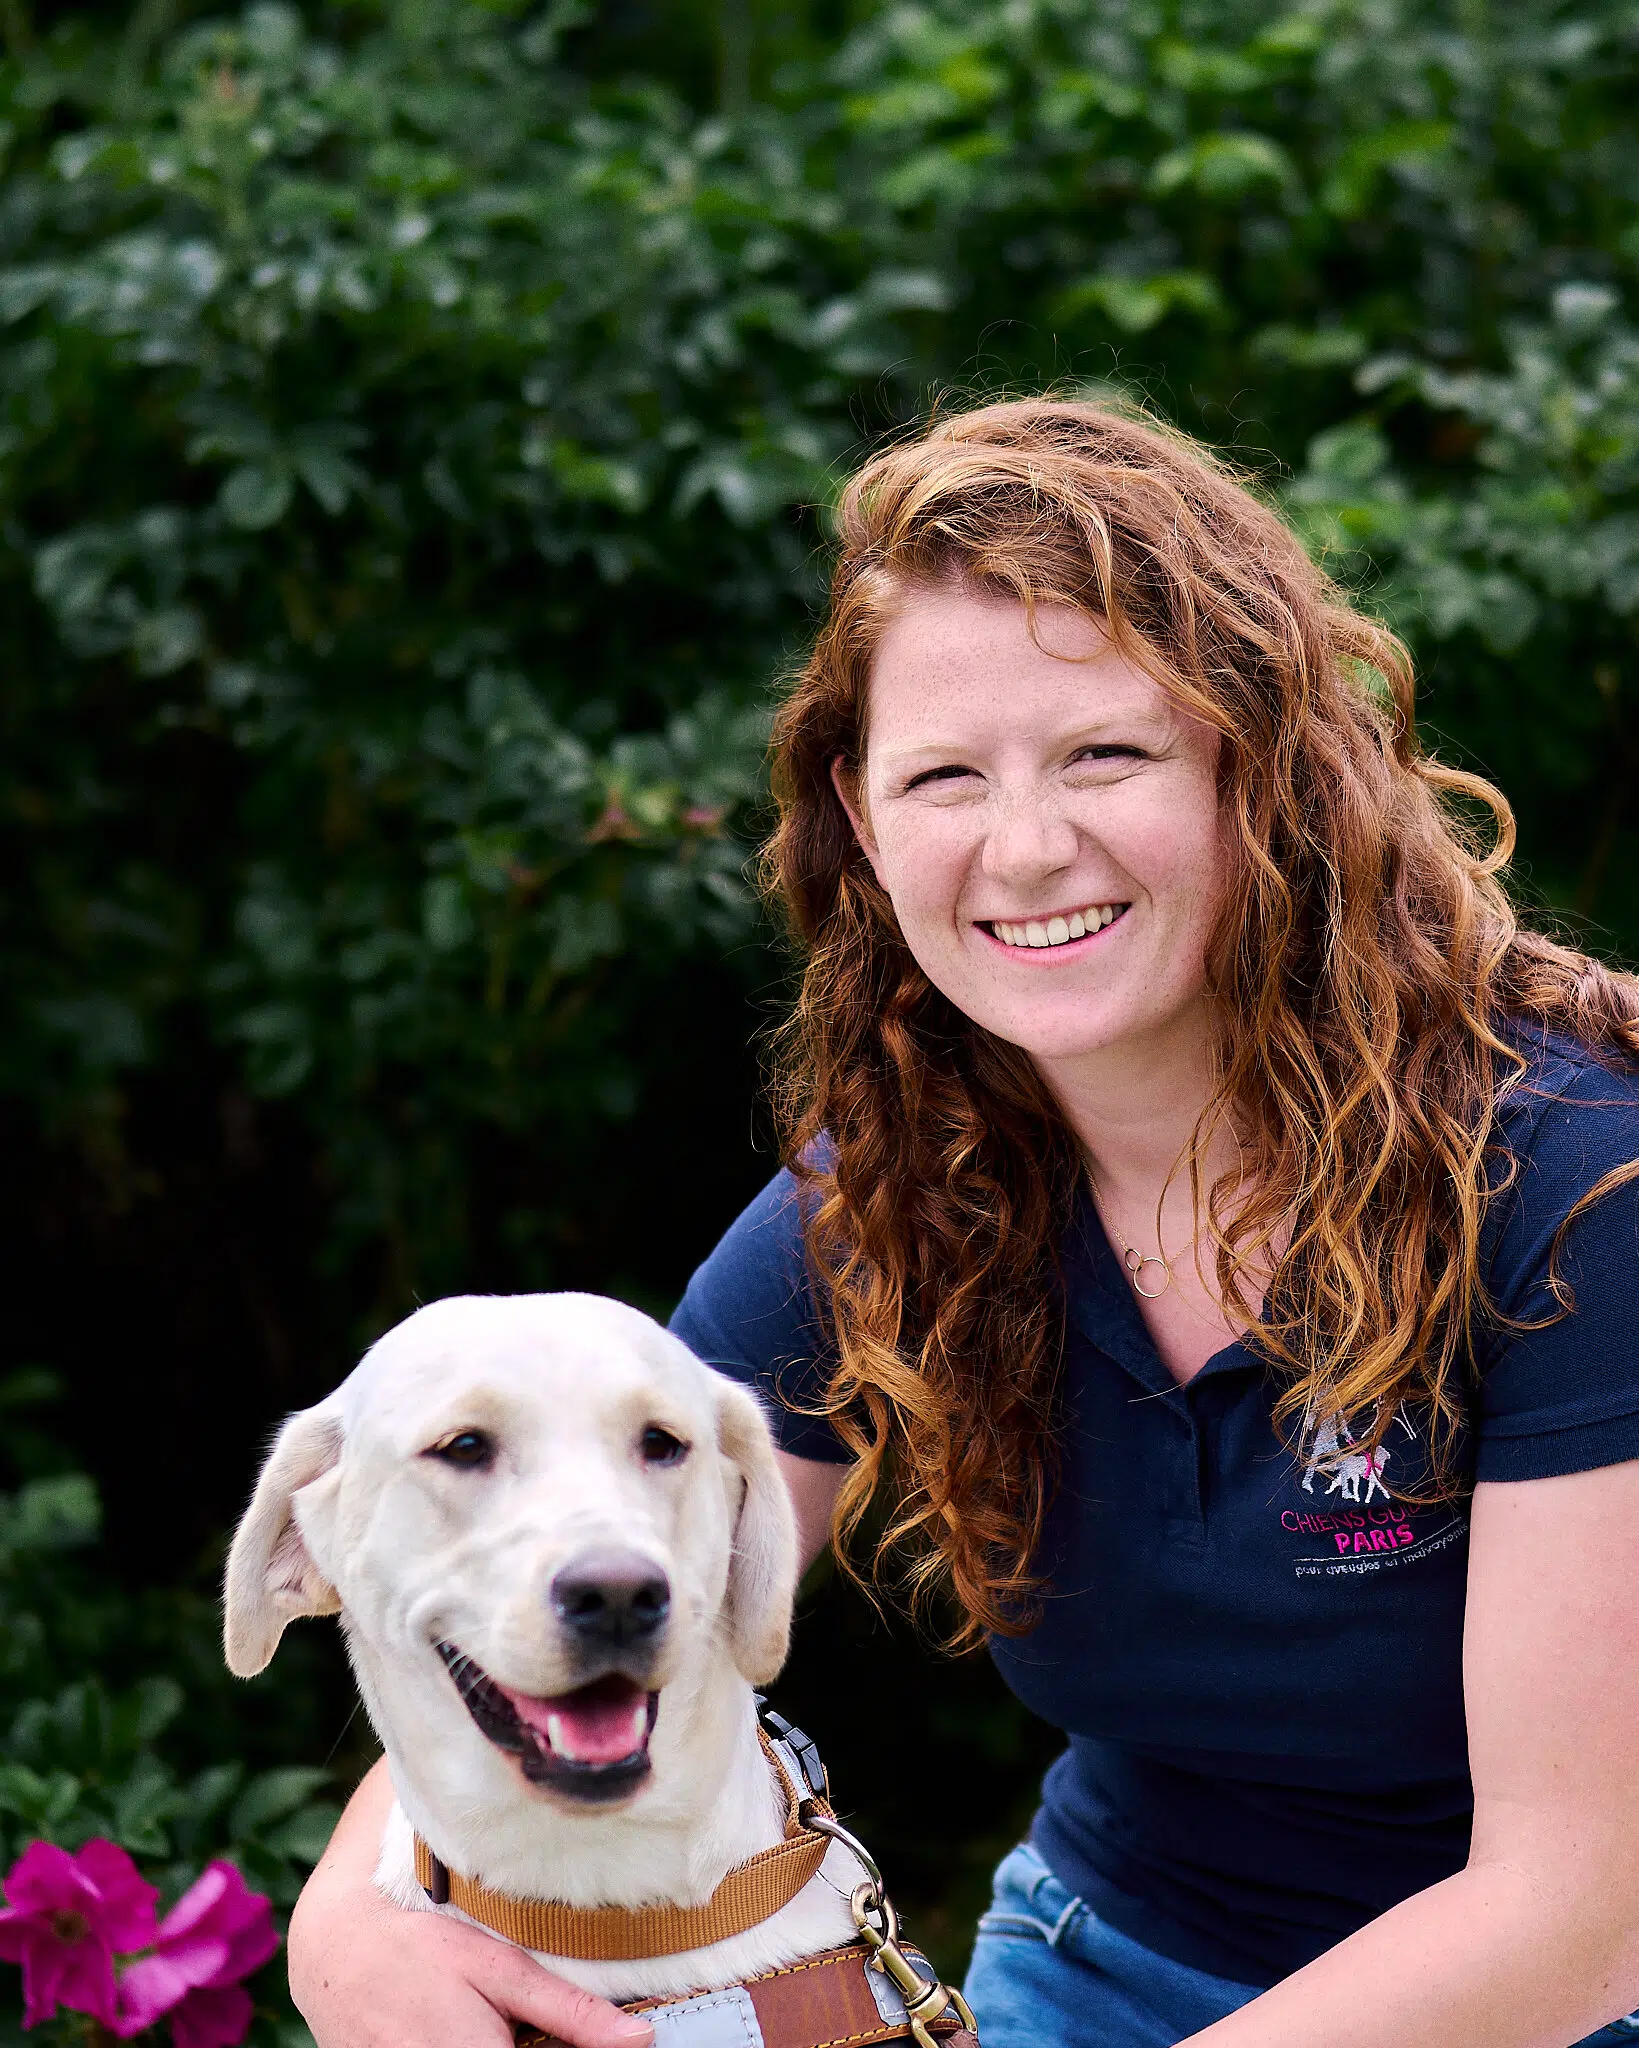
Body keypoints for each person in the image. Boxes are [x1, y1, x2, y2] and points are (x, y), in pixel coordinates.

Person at [286, 399, 1639, 2048]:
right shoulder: (902, 1193)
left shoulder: (1572, 1181)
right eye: (943, 776)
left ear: (1260, 776)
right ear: (863, 824)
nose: (1023, 847)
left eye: (1105, 754)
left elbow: (1577, 1915)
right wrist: (350, 1913)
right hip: (1103, 1964)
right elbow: (600, 1551)